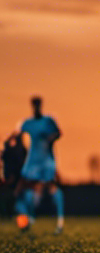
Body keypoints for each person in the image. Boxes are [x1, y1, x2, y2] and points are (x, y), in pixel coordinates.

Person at [14, 96, 64, 234]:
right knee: (20, 191)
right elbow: (17, 136)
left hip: (46, 162)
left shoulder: (48, 121)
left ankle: (55, 221)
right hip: (31, 162)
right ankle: (25, 219)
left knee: (43, 191)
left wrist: (50, 138)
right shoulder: (27, 123)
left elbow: (58, 133)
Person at [2, 131, 27, 219]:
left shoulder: (18, 151)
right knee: (13, 197)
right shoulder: (12, 151)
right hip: (13, 177)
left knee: (16, 197)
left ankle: (17, 215)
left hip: (16, 177)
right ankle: (12, 214)